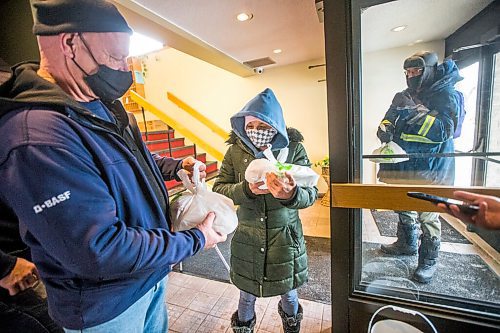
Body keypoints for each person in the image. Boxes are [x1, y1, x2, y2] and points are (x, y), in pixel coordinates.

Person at [0, 0, 226, 331]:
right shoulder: (37, 137)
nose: (125, 70)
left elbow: (126, 160)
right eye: (115, 57)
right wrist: (194, 240)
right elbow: (99, 249)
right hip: (104, 307)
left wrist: (174, 166)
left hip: (147, 279)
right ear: (70, 43)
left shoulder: (99, 105)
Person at [213, 88, 318, 333]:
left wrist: (291, 194)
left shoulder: (293, 150)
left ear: (276, 126)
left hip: (285, 240)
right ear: (242, 124)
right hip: (248, 237)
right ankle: (244, 328)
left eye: (263, 127)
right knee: (246, 296)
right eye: (251, 126)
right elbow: (220, 187)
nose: (256, 132)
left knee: (289, 295)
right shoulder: (235, 152)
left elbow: (311, 193)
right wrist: (247, 190)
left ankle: (292, 327)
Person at [376, 51, 462, 283]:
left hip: (430, 168)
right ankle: (407, 243)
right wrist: (385, 129)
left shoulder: (445, 95)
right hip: (402, 164)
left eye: (416, 71)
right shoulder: (403, 94)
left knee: (428, 213)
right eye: (408, 72)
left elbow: (445, 130)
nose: (411, 76)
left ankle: (428, 259)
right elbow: (387, 119)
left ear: (429, 70)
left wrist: (414, 113)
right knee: (402, 205)